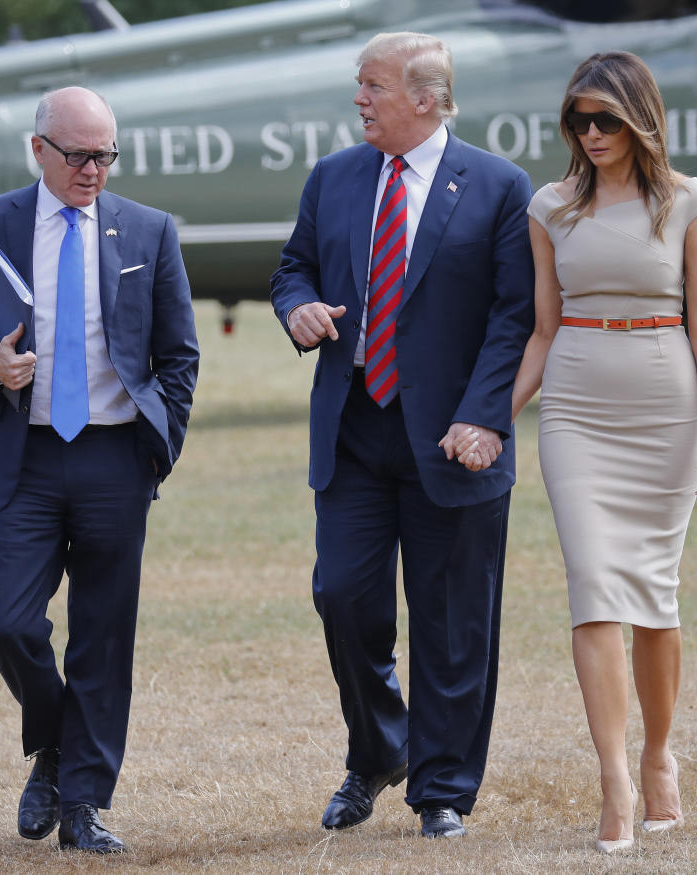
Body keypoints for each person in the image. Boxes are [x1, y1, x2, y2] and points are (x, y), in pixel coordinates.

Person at [270, 32, 534, 839]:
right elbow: (293, 269)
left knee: (454, 622)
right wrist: (298, 309)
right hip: (353, 430)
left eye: (372, 86)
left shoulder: (497, 186)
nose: (359, 99)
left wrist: (485, 415)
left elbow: (515, 315)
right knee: (343, 597)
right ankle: (381, 748)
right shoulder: (335, 177)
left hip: (456, 440)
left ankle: (442, 789)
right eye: (360, 85)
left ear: (425, 98)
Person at [0, 86, 199, 854]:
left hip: (116, 456)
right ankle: (52, 741)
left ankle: (83, 804)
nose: (92, 169)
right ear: (38, 149)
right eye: (78, 154)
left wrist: (158, 445)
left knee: (104, 638)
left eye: (105, 154)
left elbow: (179, 355)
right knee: (9, 619)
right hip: (27, 454)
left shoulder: (150, 228)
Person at [510, 52, 697, 853]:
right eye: (579, 119)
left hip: (664, 407)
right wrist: (495, 415)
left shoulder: (688, 202)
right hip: (575, 408)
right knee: (594, 586)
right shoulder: (551, 206)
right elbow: (542, 326)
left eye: (605, 117)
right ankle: (615, 777)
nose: (591, 132)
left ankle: (660, 752)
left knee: (654, 597)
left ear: (640, 116)